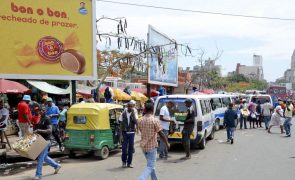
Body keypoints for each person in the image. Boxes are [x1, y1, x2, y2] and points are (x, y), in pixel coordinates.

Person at [137, 103, 170, 180]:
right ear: (152, 110)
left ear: (145, 110)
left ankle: (154, 179)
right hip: (152, 146)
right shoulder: (155, 120)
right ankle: (141, 178)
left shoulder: (140, 120)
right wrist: (166, 143)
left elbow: (142, 131)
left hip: (144, 146)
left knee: (151, 164)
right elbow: (161, 133)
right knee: (150, 166)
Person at [33, 106, 61, 180]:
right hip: (40, 141)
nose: (41, 111)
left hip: (46, 141)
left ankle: (38, 175)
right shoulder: (40, 118)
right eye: (40, 110)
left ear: (45, 111)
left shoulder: (47, 119)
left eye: (43, 110)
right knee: (44, 157)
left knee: (40, 158)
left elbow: (49, 131)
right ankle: (56, 166)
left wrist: (39, 130)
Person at [119, 101, 138, 168]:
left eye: (131, 106)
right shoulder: (123, 113)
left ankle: (129, 163)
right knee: (124, 149)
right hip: (124, 133)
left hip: (132, 133)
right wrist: (120, 135)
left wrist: (137, 129)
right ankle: (124, 161)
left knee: (130, 149)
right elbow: (121, 125)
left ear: (133, 107)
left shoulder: (134, 113)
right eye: (129, 106)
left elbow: (136, 122)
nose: (130, 107)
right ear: (127, 107)